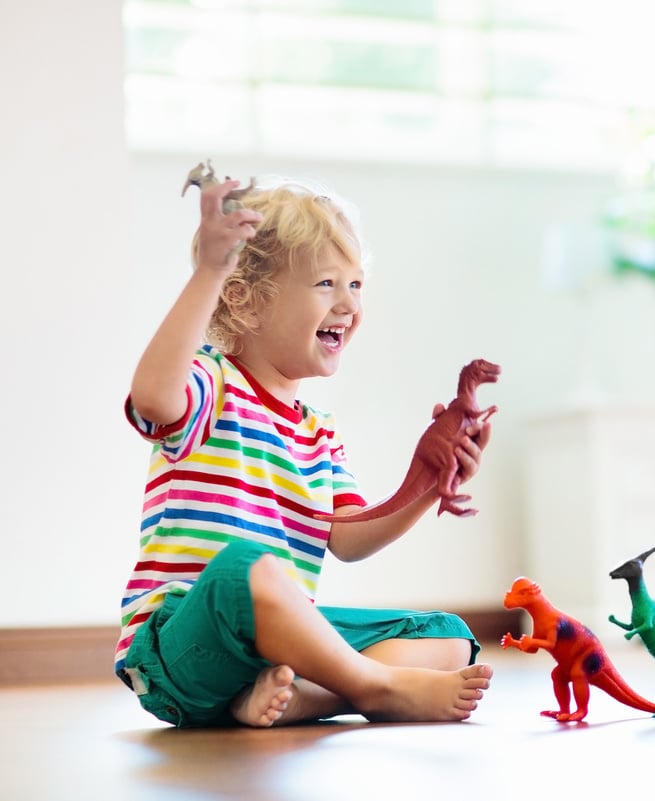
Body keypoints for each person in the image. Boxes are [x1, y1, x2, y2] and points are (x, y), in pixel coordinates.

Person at [114, 172, 493, 728]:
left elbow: (349, 538)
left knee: (447, 638)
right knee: (248, 568)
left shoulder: (319, 430)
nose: (348, 304)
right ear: (245, 300)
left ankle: (301, 696)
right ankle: (372, 686)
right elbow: (151, 395)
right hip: (181, 649)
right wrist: (211, 271)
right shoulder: (211, 383)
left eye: (356, 284)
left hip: (274, 649)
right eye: (325, 284)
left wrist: (427, 478)